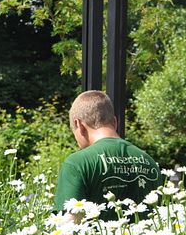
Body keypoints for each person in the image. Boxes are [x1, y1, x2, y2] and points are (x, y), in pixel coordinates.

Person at [54, 90, 162, 220]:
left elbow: (69, 231)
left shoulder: (77, 163)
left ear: (79, 125)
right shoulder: (149, 162)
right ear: (115, 122)